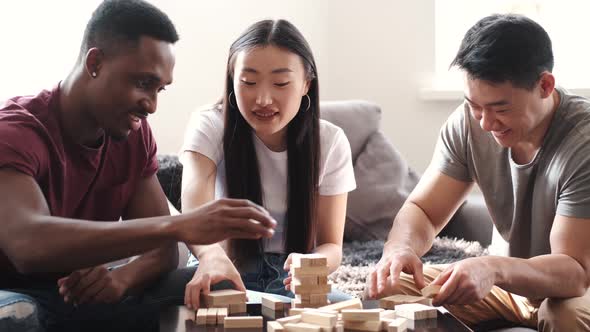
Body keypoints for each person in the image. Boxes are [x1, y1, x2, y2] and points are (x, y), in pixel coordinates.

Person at [0, 1, 276, 331]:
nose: (153, 105)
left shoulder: (133, 134)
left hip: (81, 298)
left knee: (218, 289)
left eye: (160, 89)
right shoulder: (16, 131)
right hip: (14, 294)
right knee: (17, 318)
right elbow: (28, 245)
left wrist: (123, 278)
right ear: (96, 62)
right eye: (143, 83)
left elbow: (162, 253)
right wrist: (180, 225)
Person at [367, 14, 590, 331]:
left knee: (562, 315)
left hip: (578, 288)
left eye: (500, 109)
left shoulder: (583, 144)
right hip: (507, 287)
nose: (485, 123)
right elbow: (424, 211)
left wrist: (493, 268)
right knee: (389, 291)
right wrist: (400, 248)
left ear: (544, 85)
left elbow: (575, 271)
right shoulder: (468, 124)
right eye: (474, 105)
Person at [180, 19, 356, 308]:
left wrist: (313, 264)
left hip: (290, 278)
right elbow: (194, 214)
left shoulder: (330, 141)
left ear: (306, 84)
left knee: (351, 310)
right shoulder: (210, 123)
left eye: (280, 83)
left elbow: (332, 245)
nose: (262, 99)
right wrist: (210, 258)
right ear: (232, 80)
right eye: (248, 82)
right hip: (221, 262)